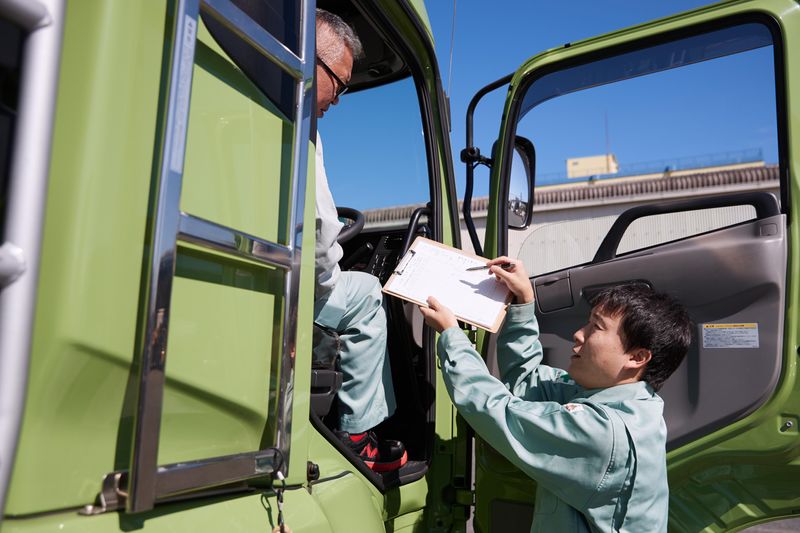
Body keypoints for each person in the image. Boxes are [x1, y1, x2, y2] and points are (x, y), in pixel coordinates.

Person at [419, 257, 692, 532]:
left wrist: (453, 337)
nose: (578, 334)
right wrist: (523, 302)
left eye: (596, 327)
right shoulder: (623, 402)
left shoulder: (603, 432)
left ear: (637, 357)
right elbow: (526, 382)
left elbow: (498, 412)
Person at [313, 8, 406, 473]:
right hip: (294, 292)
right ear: (311, 61)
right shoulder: (299, 130)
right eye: (340, 84)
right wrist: (332, 272)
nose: (338, 99)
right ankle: (357, 432)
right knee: (367, 291)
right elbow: (318, 236)